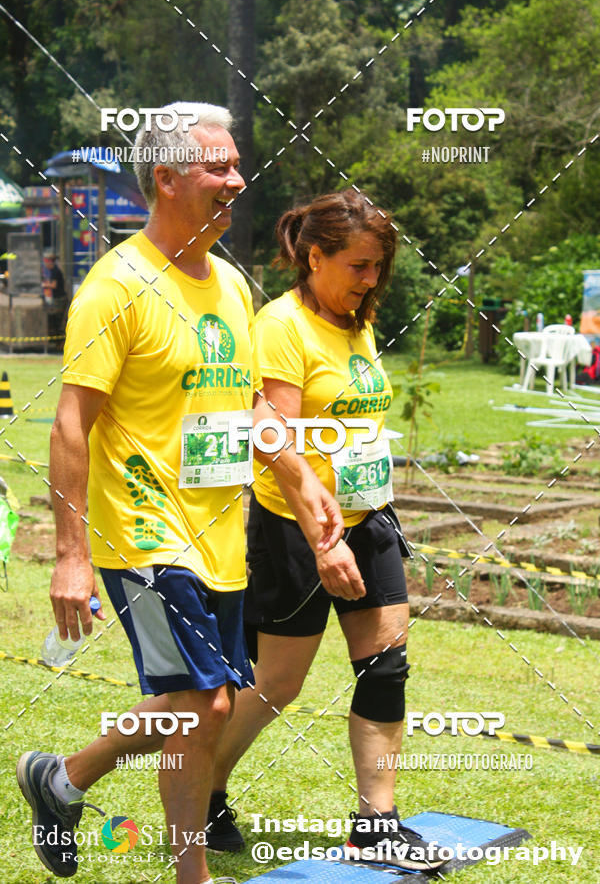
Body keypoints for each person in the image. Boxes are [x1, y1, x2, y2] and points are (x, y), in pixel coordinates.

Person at [16, 104, 351, 884]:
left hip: (219, 535)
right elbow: (72, 425)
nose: (237, 180)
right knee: (206, 705)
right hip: (143, 532)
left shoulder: (232, 286)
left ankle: (62, 780)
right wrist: (70, 556)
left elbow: (254, 410)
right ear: (166, 179)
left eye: (236, 165)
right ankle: (188, 873)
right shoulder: (116, 286)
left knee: (206, 705)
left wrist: (302, 488)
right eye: (218, 168)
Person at [206, 191, 447, 872]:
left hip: (369, 516)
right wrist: (324, 539)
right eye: (359, 266)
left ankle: (377, 821)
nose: (371, 281)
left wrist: (357, 522)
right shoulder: (283, 325)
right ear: (315, 257)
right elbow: (275, 442)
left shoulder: (355, 322)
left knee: (386, 663)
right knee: (277, 684)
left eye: (379, 268)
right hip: (294, 530)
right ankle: (205, 789)